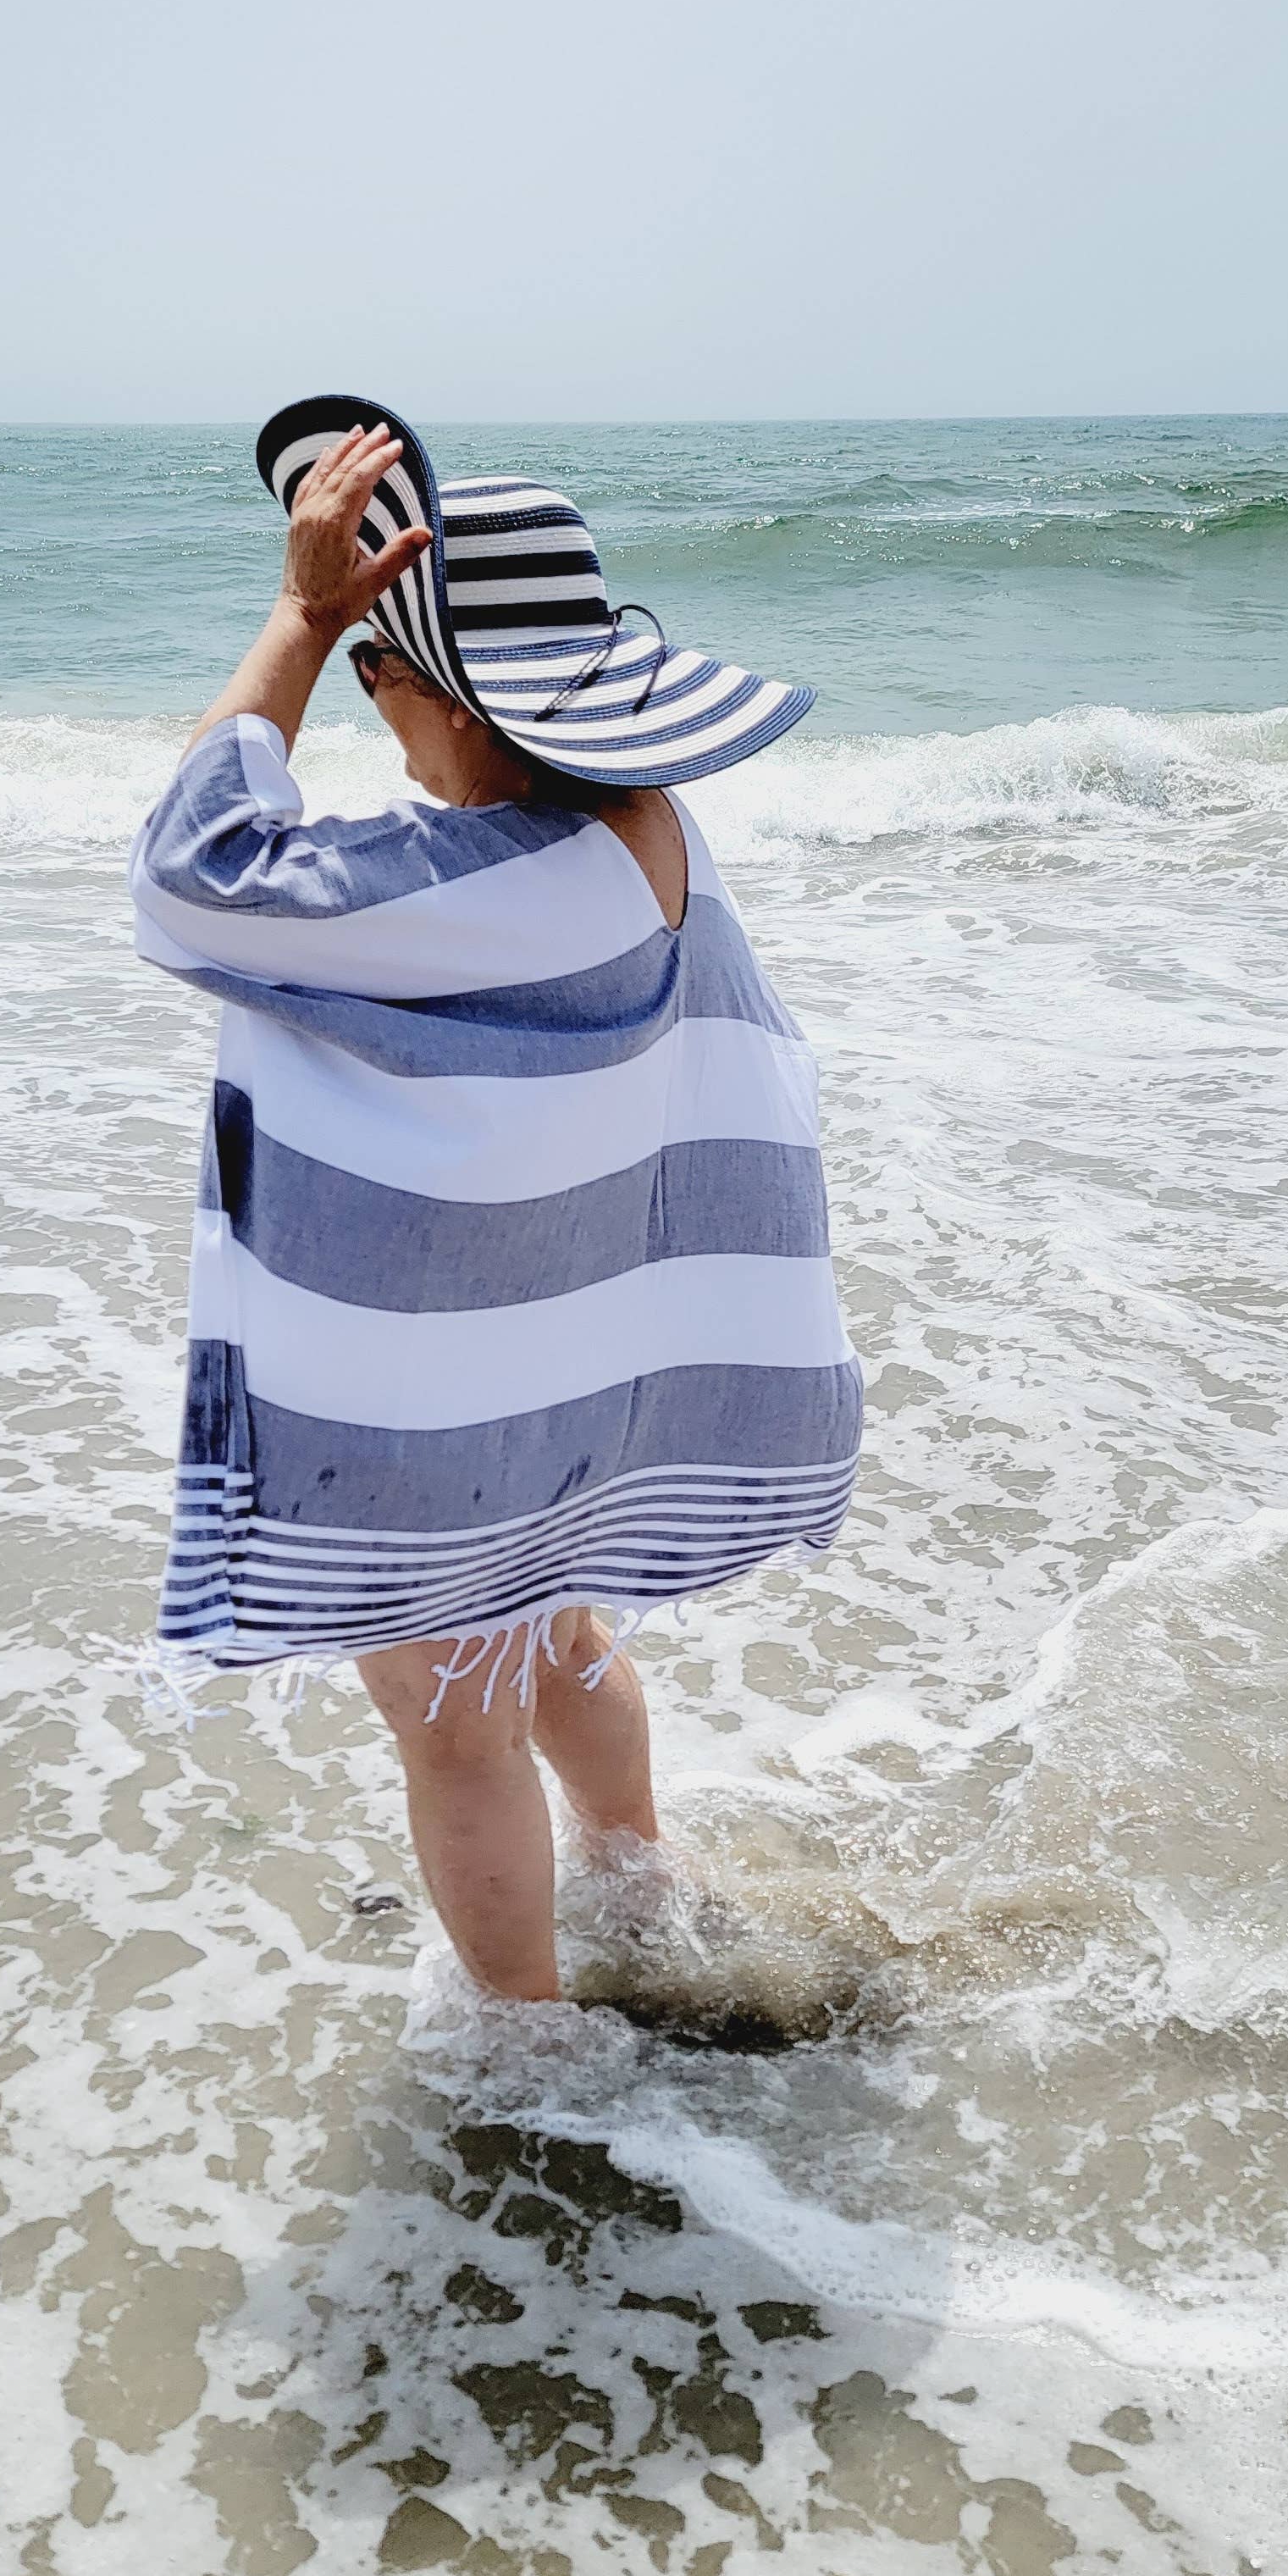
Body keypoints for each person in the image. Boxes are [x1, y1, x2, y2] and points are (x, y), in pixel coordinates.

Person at [130, 396, 862, 2001]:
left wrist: (300, 621)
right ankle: (640, 1879)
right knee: (559, 1637)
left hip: (458, 1394)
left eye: (384, 684)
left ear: (427, 691)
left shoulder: (462, 887)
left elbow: (187, 880)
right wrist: (364, 634)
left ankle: (534, 2058)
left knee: (451, 1727)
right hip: (580, 1364)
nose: (377, 718)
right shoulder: (648, 833)